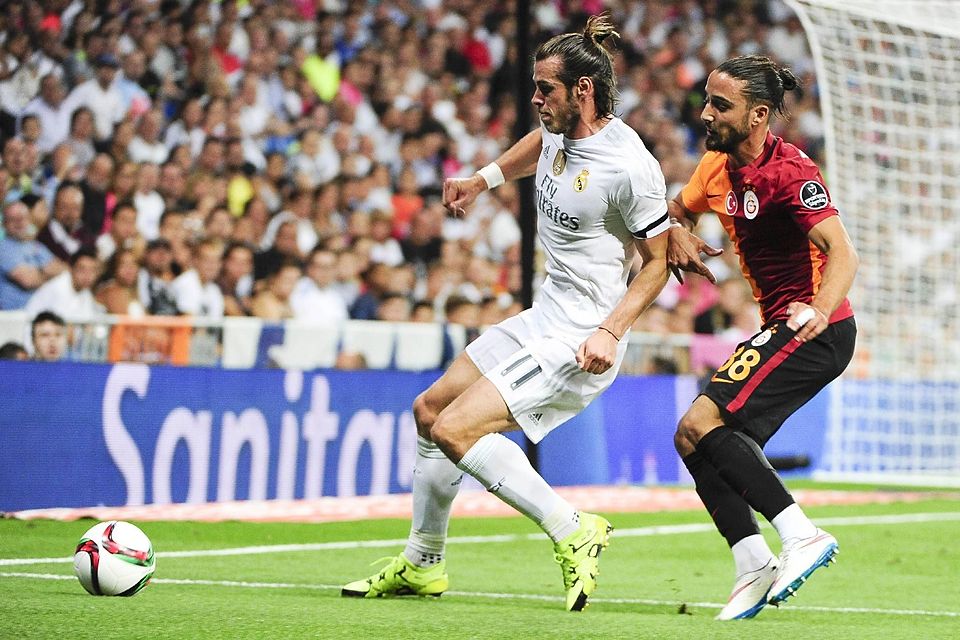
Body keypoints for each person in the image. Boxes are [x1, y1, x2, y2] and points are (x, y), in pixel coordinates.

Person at [342, 14, 672, 612]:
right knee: (430, 411)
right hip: (544, 316)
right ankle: (423, 564)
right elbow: (537, 145)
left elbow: (656, 263)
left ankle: (573, 527)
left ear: (582, 91)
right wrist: (484, 179)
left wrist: (610, 329)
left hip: (583, 337)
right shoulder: (557, 129)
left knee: (456, 430)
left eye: (545, 88)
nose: (535, 99)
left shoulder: (630, 165)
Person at [666, 55, 858, 620]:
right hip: (779, 326)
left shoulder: (791, 173)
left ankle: (801, 535)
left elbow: (843, 252)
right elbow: (678, 207)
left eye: (720, 105)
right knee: (693, 436)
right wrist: (676, 227)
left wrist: (818, 311)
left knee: (703, 419)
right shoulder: (715, 169)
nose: (706, 114)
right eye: (707, 100)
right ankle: (753, 561)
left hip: (816, 328)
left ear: (759, 115)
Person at [0, 200, 66, 310]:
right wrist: (46, 272)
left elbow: (63, 270)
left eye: (22, 218)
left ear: (29, 220)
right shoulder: (3, 248)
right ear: (4, 223)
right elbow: (28, 280)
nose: (19, 223)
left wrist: (38, 273)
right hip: (11, 315)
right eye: (13, 219)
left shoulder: (36, 246)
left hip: (38, 313)